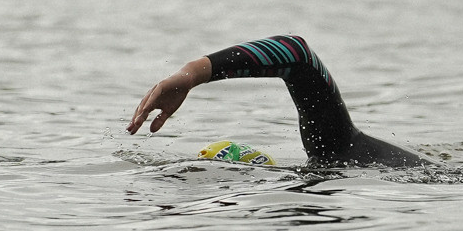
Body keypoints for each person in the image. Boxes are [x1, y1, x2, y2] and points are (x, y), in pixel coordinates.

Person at [127, 35, 423, 167]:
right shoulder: (338, 152)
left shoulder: (338, 151)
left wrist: (192, 74)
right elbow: (297, 54)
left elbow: (297, 52)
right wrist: (191, 75)